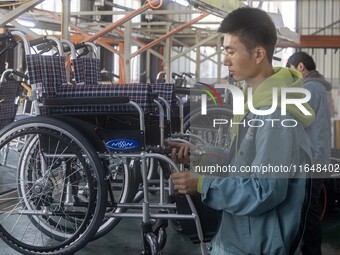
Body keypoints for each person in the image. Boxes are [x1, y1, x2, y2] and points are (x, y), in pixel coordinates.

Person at [169, 7, 316, 255]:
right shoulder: (256, 102)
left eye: (231, 51)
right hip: (241, 237)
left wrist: (204, 184)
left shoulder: (275, 114)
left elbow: (265, 191)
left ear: (258, 54)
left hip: (257, 244)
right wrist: (204, 154)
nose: (225, 60)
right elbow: (245, 160)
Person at [286, 52, 332, 255]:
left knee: (309, 211)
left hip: (312, 158)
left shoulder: (310, 87)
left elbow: (297, 118)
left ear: (301, 67)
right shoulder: (319, 87)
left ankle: (312, 252)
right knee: (309, 209)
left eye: (291, 69)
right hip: (319, 155)